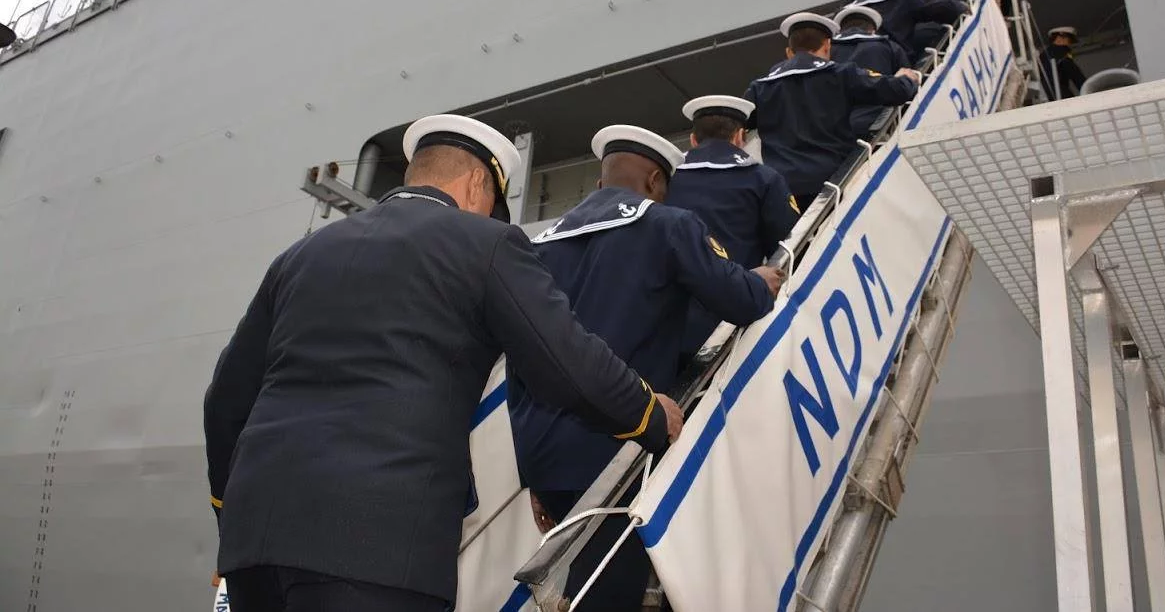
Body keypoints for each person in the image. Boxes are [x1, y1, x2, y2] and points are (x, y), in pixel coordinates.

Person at [204, 114, 684, 612]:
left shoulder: (300, 256)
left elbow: (226, 402)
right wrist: (648, 413)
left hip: (253, 550)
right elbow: (569, 365)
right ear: (478, 182)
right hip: (378, 551)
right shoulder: (485, 244)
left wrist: (229, 512)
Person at [509, 125, 782, 612]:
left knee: (588, 583)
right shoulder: (669, 225)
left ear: (599, 184)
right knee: (612, 593)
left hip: (547, 457)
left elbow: (522, 363)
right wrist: (762, 280)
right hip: (621, 448)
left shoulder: (538, 247)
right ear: (656, 181)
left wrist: (532, 473)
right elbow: (737, 299)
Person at [666, 95, 800, 362]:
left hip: (668, 329)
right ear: (740, 136)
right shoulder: (763, 178)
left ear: (693, 140)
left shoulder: (665, 180)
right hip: (733, 326)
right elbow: (790, 246)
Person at [745, 12, 921, 211]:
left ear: (789, 52)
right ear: (828, 46)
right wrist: (908, 78)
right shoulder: (841, 74)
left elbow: (738, 127)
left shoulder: (759, 88)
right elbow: (894, 91)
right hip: (835, 182)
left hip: (785, 190)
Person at [850, 0, 968, 60]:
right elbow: (943, 8)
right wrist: (961, 6)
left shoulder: (844, 12)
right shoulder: (903, 0)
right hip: (899, 70)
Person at [831, 4, 913, 75]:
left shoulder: (826, 48)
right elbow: (908, 79)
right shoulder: (890, 46)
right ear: (873, 30)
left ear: (840, 30)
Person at [1040, 26, 1090, 99]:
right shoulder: (1062, 51)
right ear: (1059, 38)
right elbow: (1074, 72)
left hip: (1046, 94)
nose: (1069, 44)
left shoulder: (1043, 54)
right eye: (1068, 40)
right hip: (1059, 91)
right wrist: (1088, 87)